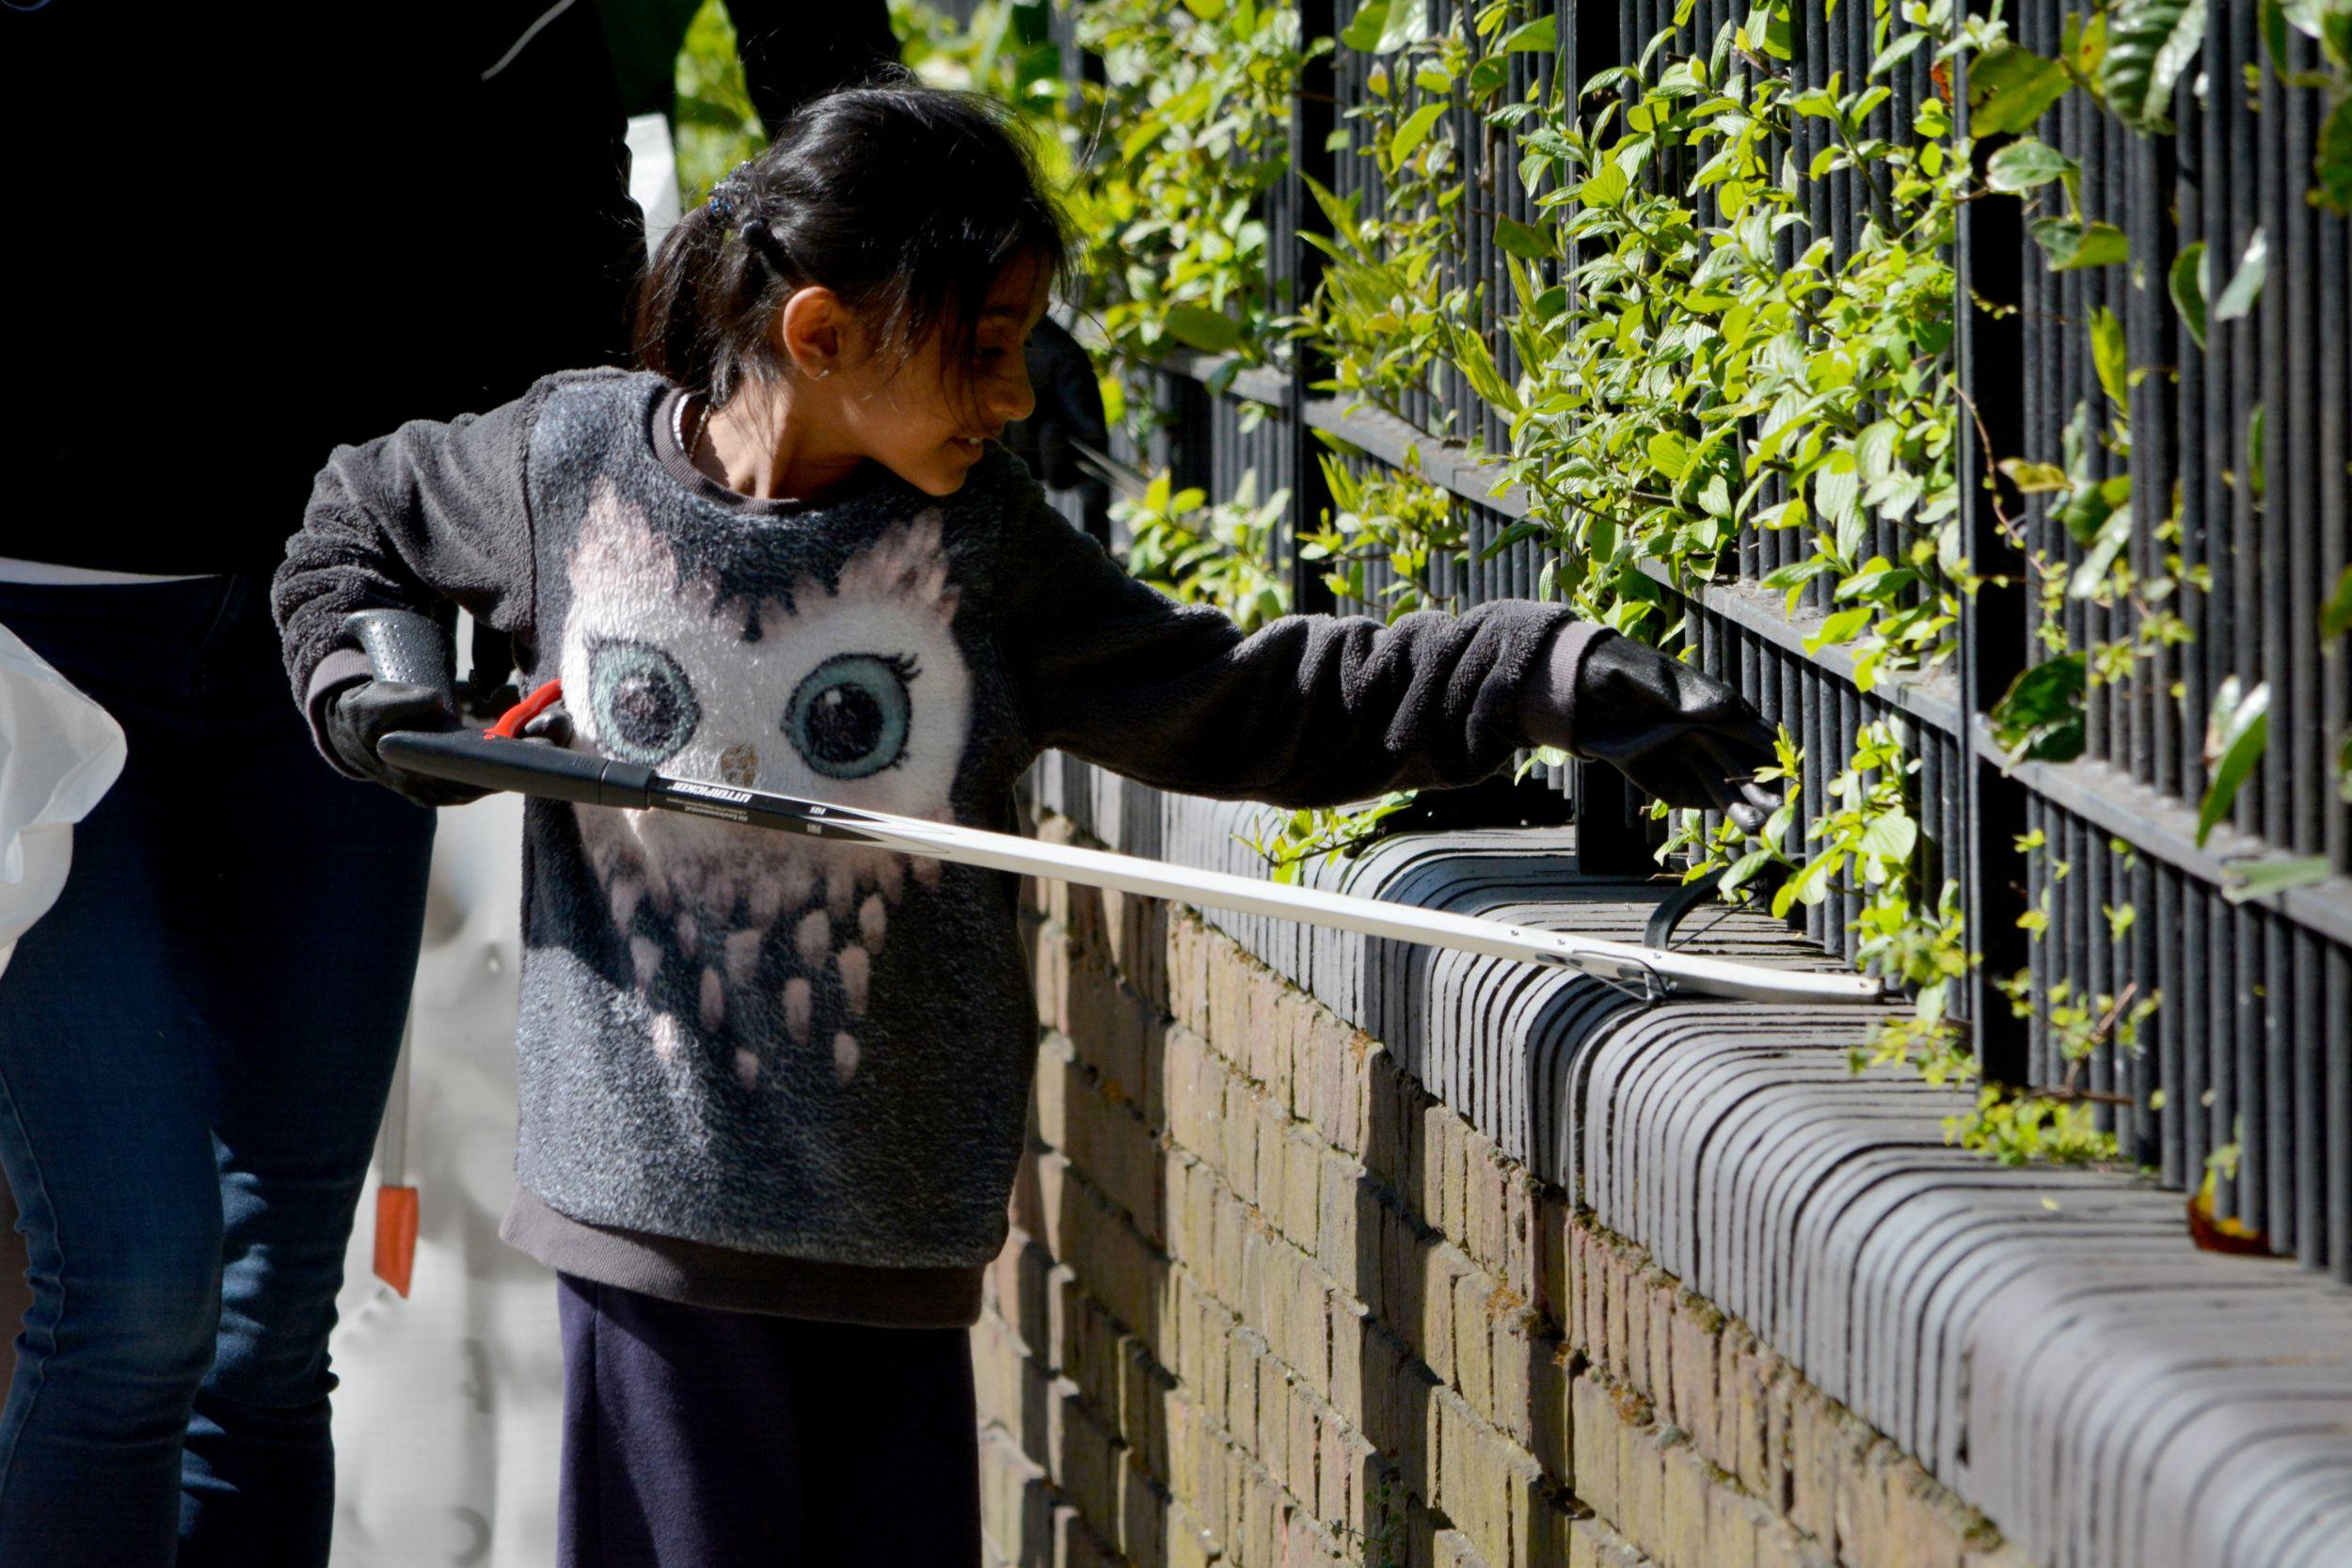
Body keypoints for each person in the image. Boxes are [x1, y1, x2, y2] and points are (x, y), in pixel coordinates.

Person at [273, 80, 1777, 1565]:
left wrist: (1536, 674)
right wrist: (377, 691)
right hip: (643, 1235)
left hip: (897, 1246)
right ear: (822, 333)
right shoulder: (566, 465)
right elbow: (354, 525)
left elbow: (1234, 695)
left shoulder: (976, 550)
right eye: (983, 350)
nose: (1012, 400)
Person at [0, 5, 638, 1562]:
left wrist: (526, 558)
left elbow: (561, 208)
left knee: (273, 1318)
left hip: (335, 621)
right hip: (32, 638)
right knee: (136, 1292)